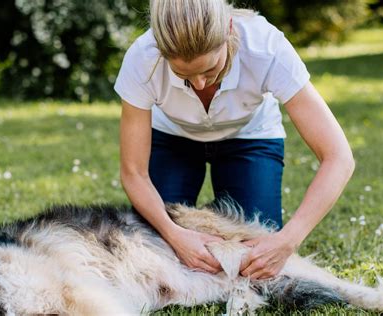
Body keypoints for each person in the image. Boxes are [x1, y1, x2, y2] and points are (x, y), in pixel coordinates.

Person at [114, 0, 355, 280]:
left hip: (248, 135)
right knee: (158, 253)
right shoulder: (142, 58)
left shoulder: (266, 46)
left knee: (255, 262)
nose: (200, 84)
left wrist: (288, 240)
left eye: (209, 69)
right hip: (172, 137)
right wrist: (175, 234)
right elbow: (134, 173)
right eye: (183, 75)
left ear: (229, 29)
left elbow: (338, 156)